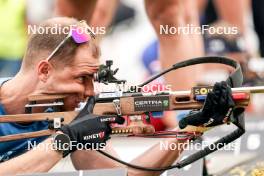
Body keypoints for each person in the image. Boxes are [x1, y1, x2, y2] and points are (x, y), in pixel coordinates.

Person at [0, 17, 235, 176]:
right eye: (81, 78)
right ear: (44, 71)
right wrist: (64, 141)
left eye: (93, 79)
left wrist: (191, 130)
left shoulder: (67, 116)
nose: (90, 91)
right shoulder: (67, 130)